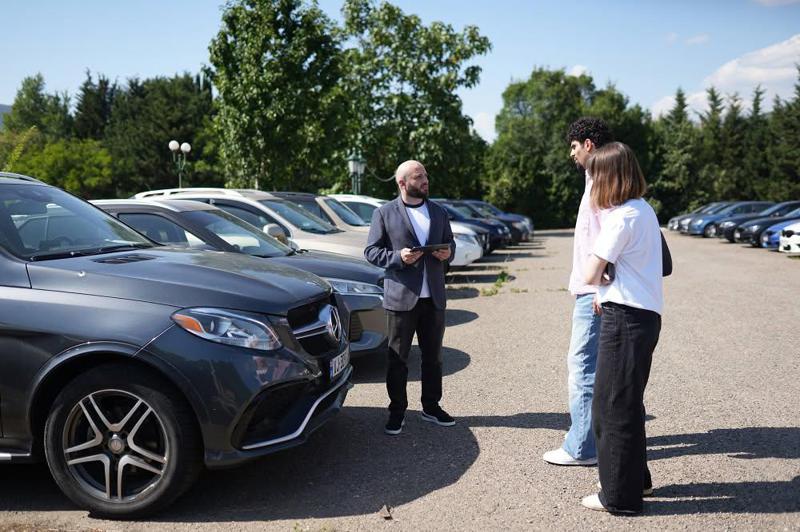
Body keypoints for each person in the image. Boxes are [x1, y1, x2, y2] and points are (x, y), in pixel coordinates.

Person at [580, 142, 663, 514]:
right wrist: (606, 280)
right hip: (640, 316)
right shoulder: (642, 210)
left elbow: (589, 271)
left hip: (626, 319)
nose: (592, 180)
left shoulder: (622, 217)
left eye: (596, 173)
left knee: (612, 408)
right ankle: (635, 479)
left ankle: (620, 497)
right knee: (626, 405)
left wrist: (601, 277)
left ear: (610, 177)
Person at [364, 159, 456, 435]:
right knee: (398, 359)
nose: (425, 180)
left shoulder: (438, 212)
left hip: (434, 298)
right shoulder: (384, 213)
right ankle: (397, 411)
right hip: (401, 299)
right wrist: (398, 257)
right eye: (419, 177)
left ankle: (431, 406)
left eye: (426, 175)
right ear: (402, 183)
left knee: (433, 357)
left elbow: (450, 243)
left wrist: (447, 253)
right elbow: (371, 252)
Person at [543, 117, 613, 466]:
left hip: (595, 293)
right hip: (591, 290)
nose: (571, 154)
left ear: (588, 145)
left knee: (583, 367)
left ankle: (582, 448)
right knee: (595, 368)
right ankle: (598, 440)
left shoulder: (604, 181)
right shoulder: (593, 180)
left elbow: (613, 240)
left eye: (573, 147)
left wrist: (602, 288)